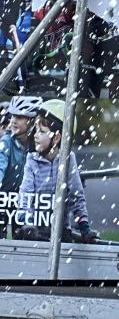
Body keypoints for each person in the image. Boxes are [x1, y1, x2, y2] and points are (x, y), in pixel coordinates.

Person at [17, 98, 98, 243]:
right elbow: (26, 193)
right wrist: (28, 222)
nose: (35, 135)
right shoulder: (32, 159)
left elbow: (76, 195)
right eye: (35, 130)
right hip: (35, 230)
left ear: (56, 138)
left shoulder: (67, 159)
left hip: (60, 230)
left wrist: (84, 226)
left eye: (41, 131)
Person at [0, 95, 40, 192]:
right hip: (4, 201)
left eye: (19, 117)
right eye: (13, 115)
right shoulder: (6, 142)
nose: (13, 121)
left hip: (25, 202)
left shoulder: (38, 144)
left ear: (32, 121)